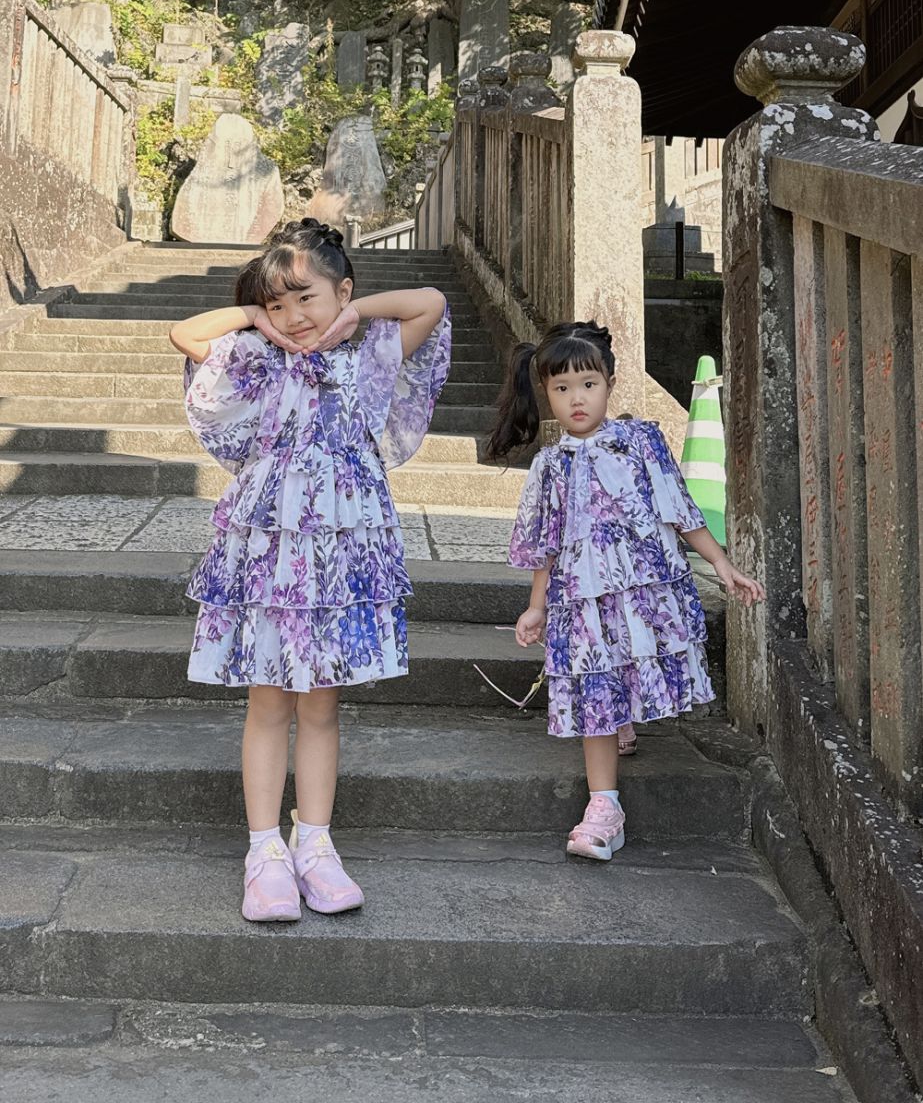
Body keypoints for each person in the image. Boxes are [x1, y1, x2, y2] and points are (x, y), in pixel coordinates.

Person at [169, 219, 450, 920]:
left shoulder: (371, 358)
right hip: (268, 550)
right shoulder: (255, 359)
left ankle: (315, 844)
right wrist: (254, 318)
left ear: (342, 291)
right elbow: (185, 335)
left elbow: (430, 303)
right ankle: (263, 852)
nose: (293, 316)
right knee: (268, 700)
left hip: (340, 558)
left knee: (322, 705)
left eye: (305, 297)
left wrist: (357, 315)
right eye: (278, 302)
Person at [486, 321, 763, 861]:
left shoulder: (641, 443)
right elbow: (545, 544)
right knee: (594, 693)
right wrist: (536, 605)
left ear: (610, 383)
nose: (576, 399)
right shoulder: (549, 466)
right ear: (546, 394)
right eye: (562, 389)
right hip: (578, 599)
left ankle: (623, 729)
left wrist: (723, 565)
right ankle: (603, 807)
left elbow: (679, 510)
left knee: (623, 680)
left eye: (588, 384)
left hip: (641, 592)